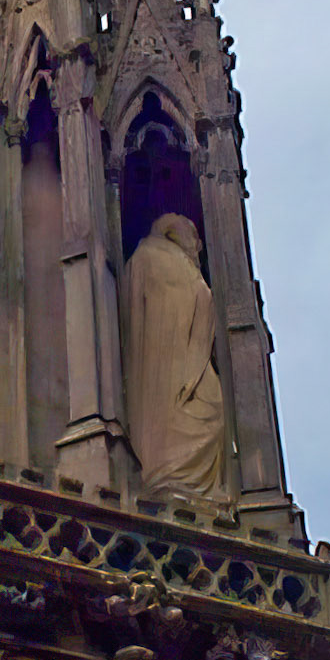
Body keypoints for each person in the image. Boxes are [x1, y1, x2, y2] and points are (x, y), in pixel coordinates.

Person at [122, 212, 226, 502]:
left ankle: (182, 482)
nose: (199, 245)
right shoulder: (151, 256)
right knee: (206, 412)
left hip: (187, 358)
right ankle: (171, 476)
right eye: (193, 235)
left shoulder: (170, 260)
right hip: (165, 368)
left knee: (212, 410)